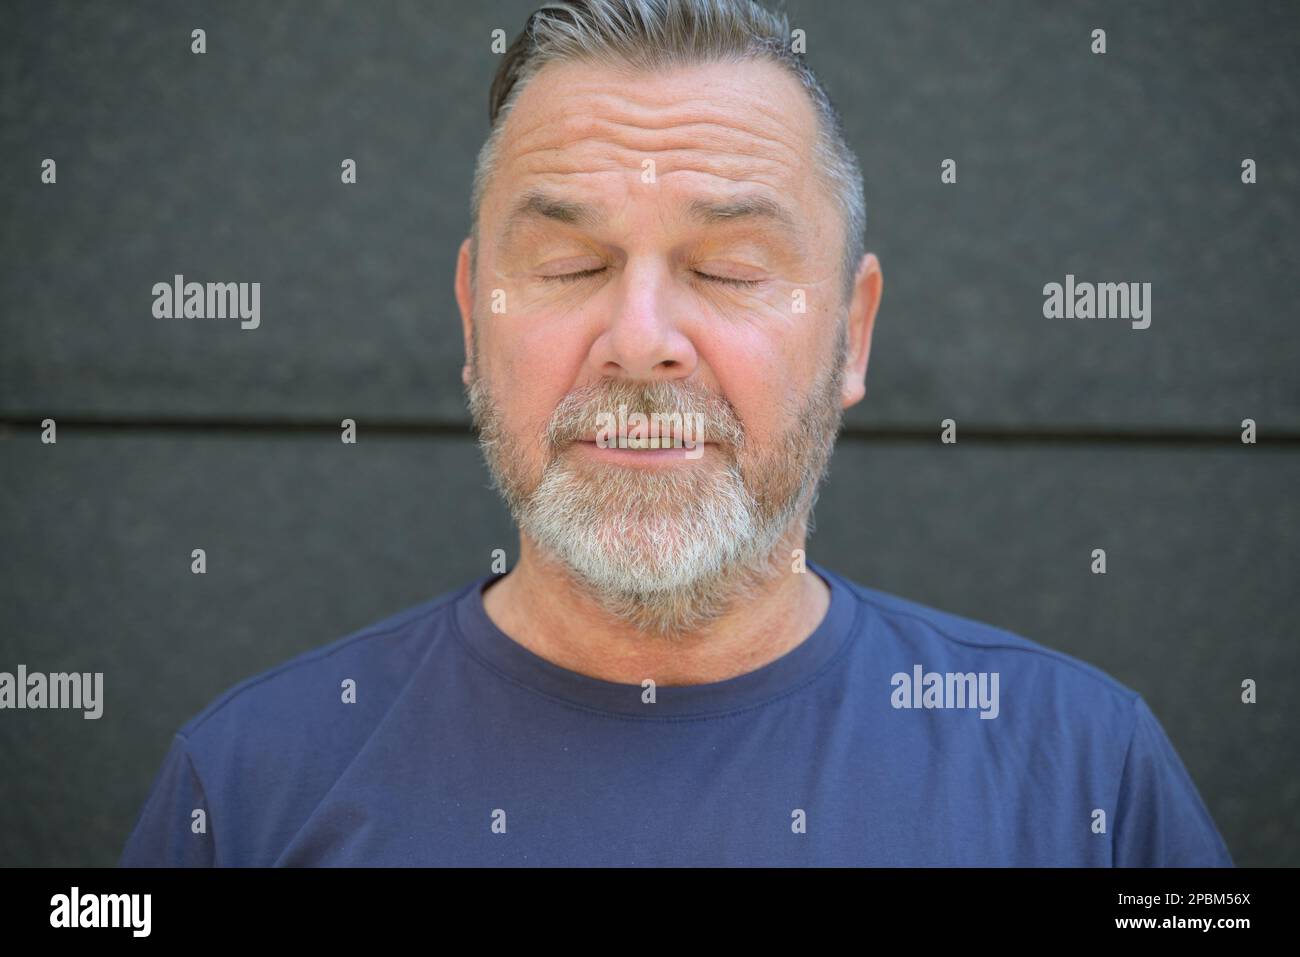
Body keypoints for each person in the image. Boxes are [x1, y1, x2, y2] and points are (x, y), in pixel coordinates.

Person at [119, 0, 1232, 867]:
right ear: (474, 319)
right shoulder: (248, 787)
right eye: (569, 267)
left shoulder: (1085, 772)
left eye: (728, 270)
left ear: (851, 332)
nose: (640, 339)